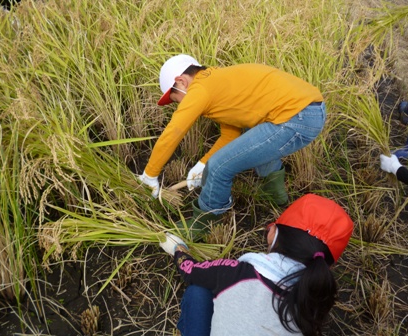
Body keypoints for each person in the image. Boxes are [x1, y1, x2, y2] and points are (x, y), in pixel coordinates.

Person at [138, 54, 326, 233]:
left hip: (297, 116)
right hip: (307, 110)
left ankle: (206, 221)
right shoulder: (216, 84)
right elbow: (230, 135)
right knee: (249, 139)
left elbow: (174, 132)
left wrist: (150, 174)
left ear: (181, 82)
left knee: (219, 166)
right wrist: (202, 165)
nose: (179, 105)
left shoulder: (200, 89)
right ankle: (275, 196)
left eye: (175, 99)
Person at [159, 193, 354, 336]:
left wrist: (179, 249)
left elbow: (190, 270)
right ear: (328, 266)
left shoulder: (235, 272)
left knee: (198, 292)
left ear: (273, 233)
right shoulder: (318, 295)